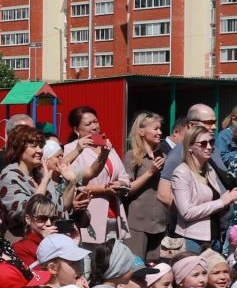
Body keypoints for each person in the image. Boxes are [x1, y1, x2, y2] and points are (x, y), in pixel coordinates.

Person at [165, 123, 237, 252]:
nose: (209, 147)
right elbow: (186, 213)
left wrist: (226, 202)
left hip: (214, 238)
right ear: (190, 147)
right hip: (192, 240)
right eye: (203, 144)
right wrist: (222, 202)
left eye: (211, 142)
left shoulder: (209, 169)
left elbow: (214, 204)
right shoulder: (182, 172)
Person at [65, 107, 130, 244]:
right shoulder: (71, 149)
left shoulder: (107, 146)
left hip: (114, 215)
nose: (94, 127)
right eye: (88, 124)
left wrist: (120, 184)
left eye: (95, 122)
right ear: (77, 129)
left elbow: (124, 176)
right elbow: (73, 184)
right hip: (89, 215)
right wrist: (104, 189)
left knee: (115, 261)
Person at [121, 112, 171, 258]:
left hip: (160, 224)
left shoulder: (165, 157)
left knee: (158, 272)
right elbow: (126, 191)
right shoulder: (132, 156)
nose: (160, 132)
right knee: (135, 270)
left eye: (160, 129)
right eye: (155, 129)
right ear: (141, 131)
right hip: (138, 224)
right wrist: (150, 172)